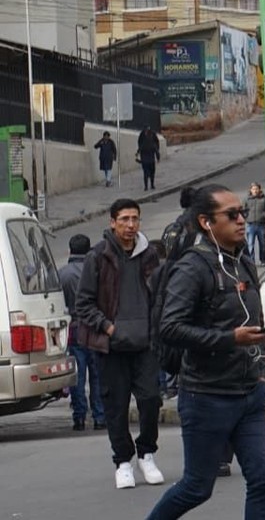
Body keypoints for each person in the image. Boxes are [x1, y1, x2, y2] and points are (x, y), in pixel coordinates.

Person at [147, 184, 265, 519]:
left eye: (243, 213)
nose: (241, 220)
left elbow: (256, 318)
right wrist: (229, 338)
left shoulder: (244, 262)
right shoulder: (193, 267)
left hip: (249, 393)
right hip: (206, 396)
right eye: (231, 215)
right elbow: (170, 327)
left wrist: (262, 372)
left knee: (263, 479)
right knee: (197, 487)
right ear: (206, 222)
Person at [73, 198, 164, 490]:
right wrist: (109, 327)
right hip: (111, 347)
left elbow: (160, 297)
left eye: (135, 218)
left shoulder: (149, 255)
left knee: (151, 400)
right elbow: (83, 304)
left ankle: (146, 453)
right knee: (116, 406)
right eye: (124, 219)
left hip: (145, 344)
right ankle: (123, 462)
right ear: (112, 222)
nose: (130, 225)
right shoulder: (97, 257)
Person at [60, 234, 105, 432]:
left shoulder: (62, 274)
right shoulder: (97, 271)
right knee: (97, 374)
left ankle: (79, 416)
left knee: (77, 375)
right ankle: (100, 416)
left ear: (70, 250)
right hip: (94, 326)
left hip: (73, 327)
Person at [245, 183, 265, 265]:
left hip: (261, 224)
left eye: (256, 189)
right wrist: (245, 219)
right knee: (250, 244)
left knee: (262, 244)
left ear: (259, 189)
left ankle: (263, 261)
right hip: (250, 224)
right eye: (253, 189)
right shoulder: (247, 200)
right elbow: (243, 211)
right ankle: (251, 261)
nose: (255, 191)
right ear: (250, 190)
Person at [137, 127, 161, 191]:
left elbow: (139, 149)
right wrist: (158, 158)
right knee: (148, 173)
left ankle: (148, 186)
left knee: (148, 173)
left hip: (148, 160)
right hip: (148, 160)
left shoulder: (145, 143)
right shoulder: (150, 143)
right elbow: (156, 150)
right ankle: (149, 185)